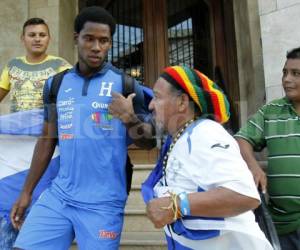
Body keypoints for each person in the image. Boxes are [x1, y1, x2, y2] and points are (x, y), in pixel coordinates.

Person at [10, 6, 155, 250]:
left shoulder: (126, 84)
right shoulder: (56, 84)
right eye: (89, 39)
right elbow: (47, 140)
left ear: (110, 43)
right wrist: (27, 192)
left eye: (104, 41)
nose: (96, 47)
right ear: (76, 38)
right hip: (60, 196)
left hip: (103, 204)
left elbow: (150, 141)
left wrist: (130, 118)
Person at [142, 65, 273, 249]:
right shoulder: (180, 138)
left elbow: (244, 195)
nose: (151, 105)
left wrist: (176, 206)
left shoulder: (206, 133)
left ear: (182, 102)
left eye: (157, 97)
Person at [0, 17, 71, 250]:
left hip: (49, 141)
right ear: (23, 39)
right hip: (18, 143)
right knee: (14, 189)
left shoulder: (62, 66)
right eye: (32, 35)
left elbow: (73, 98)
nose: (37, 39)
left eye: (42, 34)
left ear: (49, 38)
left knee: (43, 190)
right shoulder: (12, 66)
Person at [235, 47, 300, 250]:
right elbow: (241, 140)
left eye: (295, 74)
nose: (286, 80)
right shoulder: (271, 111)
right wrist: (253, 167)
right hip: (282, 227)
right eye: (284, 72)